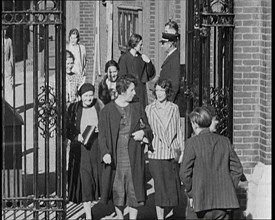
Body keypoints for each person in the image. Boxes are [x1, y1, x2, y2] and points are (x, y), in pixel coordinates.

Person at [98, 74, 153, 220]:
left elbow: (148, 127)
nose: (135, 93)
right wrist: (105, 153)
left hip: (134, 154)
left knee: (134, 188)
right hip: (116, 154)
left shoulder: (136, 107)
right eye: (132, 90)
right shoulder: (107, 110)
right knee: (118, 188)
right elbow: (102, 135)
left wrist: (143, 132)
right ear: (122, 92)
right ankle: (120, 216)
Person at [179, 107, 243, 220]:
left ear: (195, 124)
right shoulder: (224, 141)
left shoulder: (192, 143)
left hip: (200, 201)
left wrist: (191, 192)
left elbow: (184, 173)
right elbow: (237, 169)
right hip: (223, 202)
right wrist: (227, 188)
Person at [145, 78, 184, 220]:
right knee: (160, 188)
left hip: (171, 152)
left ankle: (173, 213)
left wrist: (181, 151)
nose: (160, 93)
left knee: (173, 186)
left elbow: (179, 130)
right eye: (157, 90)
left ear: (167, 91)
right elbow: (146, 130)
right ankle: (160, 217)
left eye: (162, 90)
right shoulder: (149, 109)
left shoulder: (174, 108)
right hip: (156, 153)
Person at [66, 83, 104, 220]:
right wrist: (77, 136)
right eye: (85, 96)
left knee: (95, 178)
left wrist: (101, 129)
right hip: (80, 149)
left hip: (96, 148)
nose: (88, 98)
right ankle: (88, 215)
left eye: (90, 95)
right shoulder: (73, 108)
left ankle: (94, 205)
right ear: (80, 96)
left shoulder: (99, 106)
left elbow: (105, 123)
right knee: (85, 180)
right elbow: (67, 129)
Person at [118, 33, 155, 109]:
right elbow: (122, 77)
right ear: (134, 44)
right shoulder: (124, 58)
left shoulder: (141, 58)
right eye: (140, 44)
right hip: (130, 90)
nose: (142, 47)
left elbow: (149, 73)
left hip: (141, 91)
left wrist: (148, 62)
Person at [159, 32, 181, 104]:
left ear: (170, 44)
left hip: (169, 99)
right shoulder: (171, 56)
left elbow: (175, 83)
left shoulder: (175, 58)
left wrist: (169, 101)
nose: (162, 46)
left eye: (163, 43)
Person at [2, 25, 14, 105]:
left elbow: (11, 55)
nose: (5, 32)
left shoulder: (9, 40)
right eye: (3, 30)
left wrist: (11, 65)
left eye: (5, 30)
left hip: (7, 66)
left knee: (9, 87)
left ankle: (11, 107)